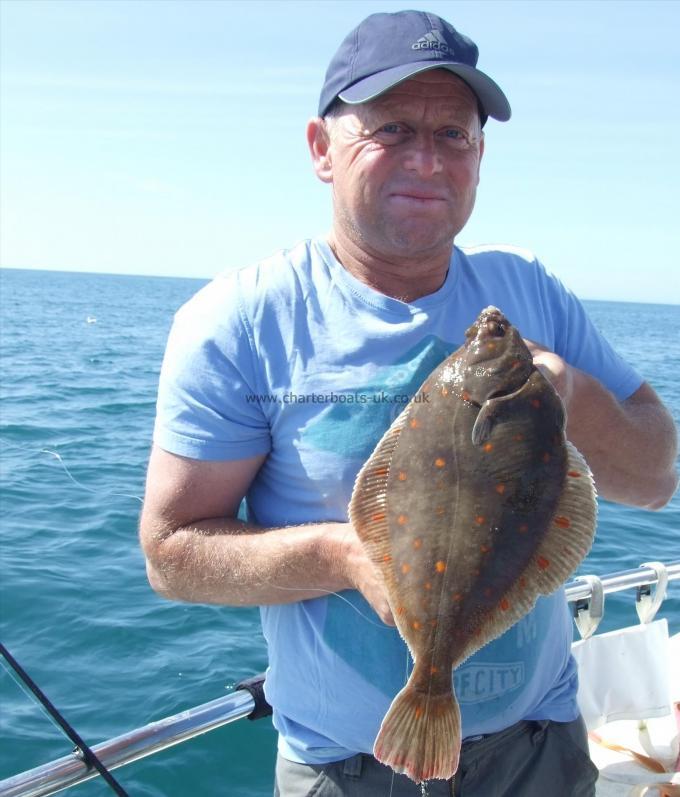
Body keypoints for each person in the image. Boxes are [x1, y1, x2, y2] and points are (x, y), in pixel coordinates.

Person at [139, 10, 678, 797]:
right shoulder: (240, 321)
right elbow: (171, 556)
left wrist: (568, 396)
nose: (427, 159)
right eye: (390, 128)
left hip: (542, 746)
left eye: (454, 134)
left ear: (481, 155)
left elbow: (659, 477)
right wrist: (348, 556)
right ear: (322, 150)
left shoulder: (531, 287)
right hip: (349, 770)